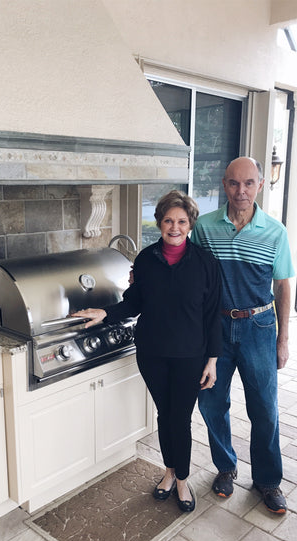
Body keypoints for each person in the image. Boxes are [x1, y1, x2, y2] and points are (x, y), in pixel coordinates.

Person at [72, 190, 222, 513]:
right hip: (152, 353)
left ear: (190, 224)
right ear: (159, 223)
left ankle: (182, 479)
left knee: (180, 418)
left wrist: (212, 360)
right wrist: (105, 313)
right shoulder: (145, 260)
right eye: (168, 220)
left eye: (182, 221)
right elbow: (134, 303)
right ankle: (168, 472)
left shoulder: (206, 264)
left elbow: (213, 314)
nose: (175, 227)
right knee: (164, 414)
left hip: (189, 356)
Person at [191, 156, 295, 514]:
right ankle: (225, 467)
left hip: (259, 327)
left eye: (249, 183)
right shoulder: (204, 228)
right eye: (234, 183)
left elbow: (282, 287)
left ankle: (268, 481)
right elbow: (186, 269)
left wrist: (283, 339)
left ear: (260, 186)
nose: (241, 191)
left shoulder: (275, 232)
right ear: (224, 185)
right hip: (215, 328)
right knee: (212, 403)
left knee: (265, 409)